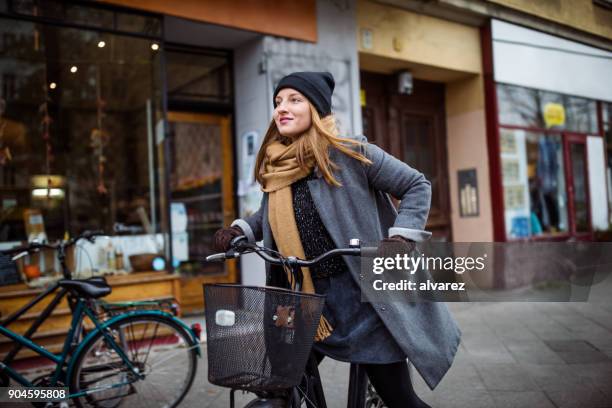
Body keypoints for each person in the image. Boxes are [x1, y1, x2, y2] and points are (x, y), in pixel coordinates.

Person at [213, 71, 461, 408]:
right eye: (277, 102)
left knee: (399, 398)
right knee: (280, 385)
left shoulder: (351, 153)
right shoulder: (278, 168)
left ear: (315, 108)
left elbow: (416, 185)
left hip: (365, 299)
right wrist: (241, 230)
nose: (281, 108)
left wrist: (402, 236)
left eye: (294, 100)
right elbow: (266, 215)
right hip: (303, 298)